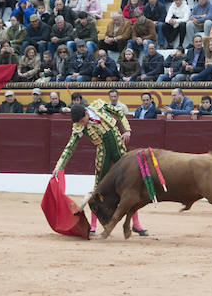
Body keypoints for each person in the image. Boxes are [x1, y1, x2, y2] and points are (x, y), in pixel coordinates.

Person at [52, 100, 147, 237]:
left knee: (130, 186)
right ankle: (94, 225)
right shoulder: (79, 126)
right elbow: (70, 147)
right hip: (103, 152)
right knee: (98, 188)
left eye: (82, 121)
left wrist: (127, 129)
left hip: (119, 147)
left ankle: (136, 225)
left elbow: (119, 112)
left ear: (86, 113)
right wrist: (59, 166)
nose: (81, 125)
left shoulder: (99, 106)